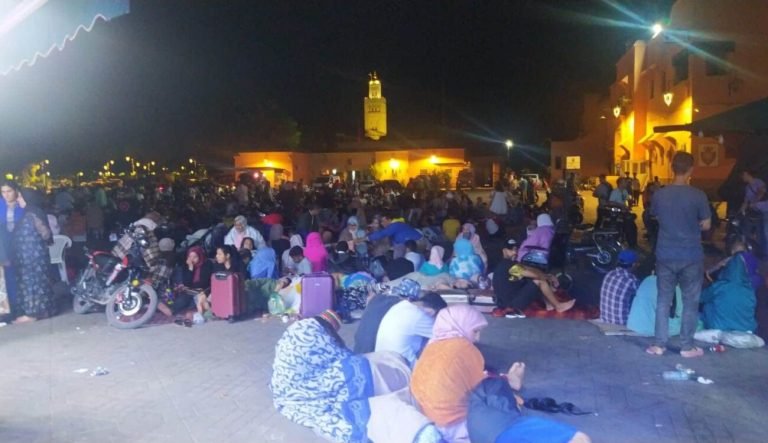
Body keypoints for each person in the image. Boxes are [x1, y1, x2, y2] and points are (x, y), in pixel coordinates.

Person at [271, 310, 437, 443]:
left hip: (286, 382)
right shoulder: (314, 333)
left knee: (363, 364)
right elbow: (343, 359)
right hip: (301, 387)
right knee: (355, 371)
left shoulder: (302, 327)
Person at [411, 305, 526, 442]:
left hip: (426, 420)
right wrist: (507, 381)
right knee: (504, 404)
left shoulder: (431, 345)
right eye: (475, 331)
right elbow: (482, 387)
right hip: (455, 424)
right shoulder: (465, 348)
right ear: (460, 326)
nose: (477, 338)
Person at [646, 152, 711, 358]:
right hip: (691, 255)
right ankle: (687, 347)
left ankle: (659, 345)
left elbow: (654, 216)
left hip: (665, 254)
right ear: (691, 169)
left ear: (671, 168)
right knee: (690, 301)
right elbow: (706, 224)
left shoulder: (660, 194)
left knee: (663, 300)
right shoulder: (698, 195)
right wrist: (694, 224)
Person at [491, 238, 576, 316]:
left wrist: (547, 275)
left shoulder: (505, 265)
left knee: (534, 279)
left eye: (516, 249)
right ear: (504, 251)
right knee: (539, 281)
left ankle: (549, 304)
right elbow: (535, 275)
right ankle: (558, 306)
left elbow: (529, 269)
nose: (515, 252)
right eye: (511, 250)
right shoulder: (510, 266)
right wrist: (548, 278)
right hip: (510, 305)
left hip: (507, 302)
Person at [11, 188, 55, 323]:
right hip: (33, 256)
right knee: (40, 282)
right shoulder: (31, 212)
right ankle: (44, 311)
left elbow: (45, 233)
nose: (18, 199)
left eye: (20, 197)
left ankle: (32, 314)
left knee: (32, 283)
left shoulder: (32, 213)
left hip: (32, 257)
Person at [376, 292, 448, 367]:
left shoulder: (400, 305)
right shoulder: (419, 315)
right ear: (431, 312)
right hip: (400, 368)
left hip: (381, 365)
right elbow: (445, 335)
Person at [700, 240, 759, 332]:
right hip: (746, 328)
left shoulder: (719, 286)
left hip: (719, 326)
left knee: (705, 307)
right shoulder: (750, 290)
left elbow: (700, 298)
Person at [158, 246, 212, 318]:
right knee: (179, 302)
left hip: (201, 292)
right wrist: (190, 269)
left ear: (200, 256)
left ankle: (189, 311)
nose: (192, 259)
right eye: (190, 257)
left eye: (195, 257)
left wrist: (190, 287)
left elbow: (203, 283)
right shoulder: (187, 266)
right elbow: (187, 283)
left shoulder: (207, 265)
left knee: (193, 304)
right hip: (189, 291)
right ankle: (163, 307)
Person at [0, 180, 23, 316]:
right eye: (3, 192)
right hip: (5, 246)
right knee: (9, 277)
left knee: (23, 275)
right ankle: (13, 308)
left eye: (9, 191)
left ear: (15, 191)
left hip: (22, 244)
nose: (6, 195)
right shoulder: (0, 205)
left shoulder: (22, 205)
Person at [599, 250, 639, 325]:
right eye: (637, 263)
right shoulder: (631, 280)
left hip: (605, 319)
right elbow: (642, 295)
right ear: (633, 264)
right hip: (621, 323)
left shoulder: (609, 274)